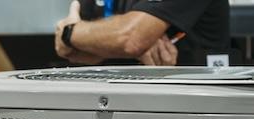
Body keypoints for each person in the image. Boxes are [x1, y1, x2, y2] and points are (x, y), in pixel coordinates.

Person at [55, 0, 231, 68]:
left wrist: (69, 31)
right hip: (118, 107)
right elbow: (71, 51)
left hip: (195, 116)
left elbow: (129, 39)